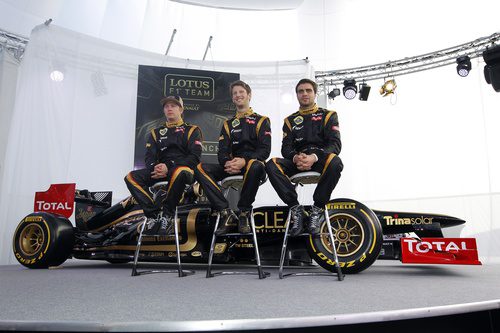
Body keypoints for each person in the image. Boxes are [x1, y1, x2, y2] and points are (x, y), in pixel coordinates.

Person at [265, 78, 343, 236]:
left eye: (308, 90)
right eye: (301, 91)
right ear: (297, 95)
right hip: (298, 161)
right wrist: (295, 158)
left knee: (336, 161)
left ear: (315, 93)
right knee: (271, 164)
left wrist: (314, 157)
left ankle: (317, 209)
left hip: (320, 160)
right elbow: (285, 148)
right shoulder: (290, 120)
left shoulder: (329, 115)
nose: (304, 94)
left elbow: (335, 145)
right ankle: (296, 209)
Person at [195, 80, 271, 234]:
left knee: (255, 164)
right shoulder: (227, 124)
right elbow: (221, 152)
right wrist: (228, 163)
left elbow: (265, 151)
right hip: (233, 167)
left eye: (241, 92)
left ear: (249, 95)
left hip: (254, 167)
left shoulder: (262, 120)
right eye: (235, 93)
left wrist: (245, 161)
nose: (238, 95)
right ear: (232, 98)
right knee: (200, 168)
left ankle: (244, 212)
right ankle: (225, 212)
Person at [124, 95, 203, 235]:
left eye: (173, 106)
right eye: (166, 106)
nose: (169, 108)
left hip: (185, 172)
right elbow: (149, 157)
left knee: (180, 171)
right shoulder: (156, 133)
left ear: (181, 109)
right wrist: (156, 167)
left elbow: (194, 158)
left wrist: (169, 166)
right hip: (161, 171)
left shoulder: (192, 130)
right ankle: (153, 215)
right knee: (130, 177)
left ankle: (167, 215)